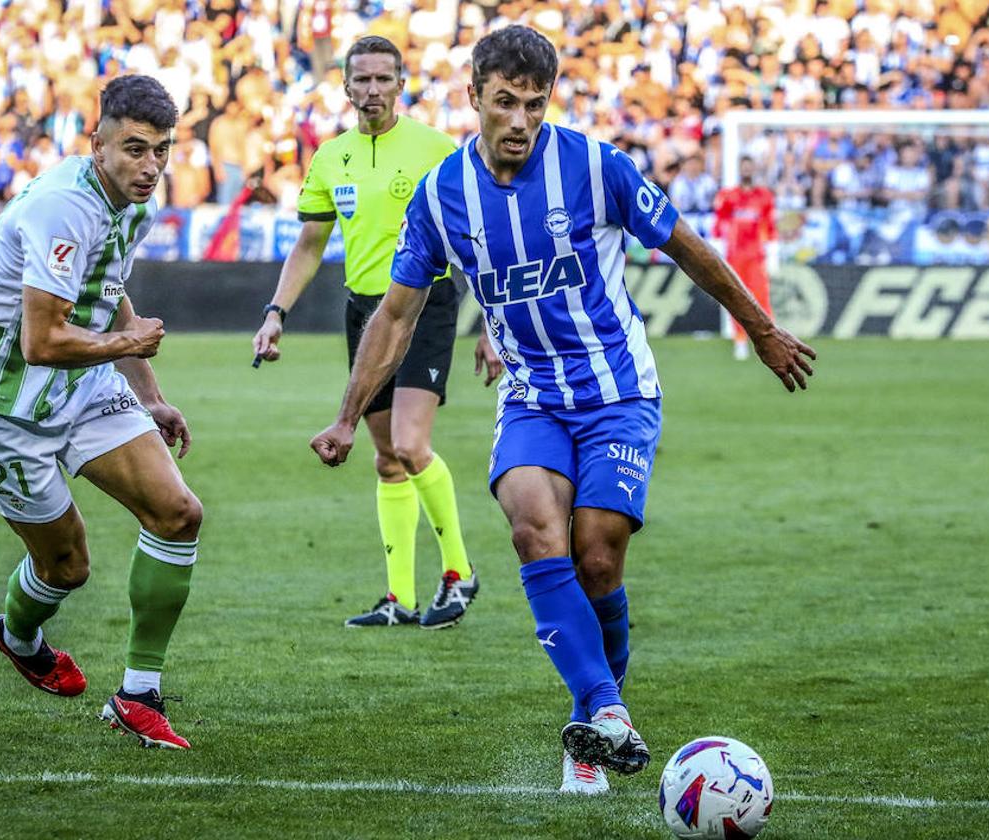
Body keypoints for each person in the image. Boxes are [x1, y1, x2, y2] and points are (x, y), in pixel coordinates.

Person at [309, 26, 815, 795]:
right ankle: (603, 717)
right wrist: (349, 414)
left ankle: (593, 714)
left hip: (618, 392)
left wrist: (763, 328)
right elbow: (396, 315)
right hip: (532, 398)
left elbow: (687, 246)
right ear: (474, 95)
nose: (518, 120)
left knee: (598, 557)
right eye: (504, 102)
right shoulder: (443, 194)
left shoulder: (595, 165)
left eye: (534, 105)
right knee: (530, 526)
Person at [0, 75, 203, 750]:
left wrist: (149, 393)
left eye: (161, 151)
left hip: (77, 382)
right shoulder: (62, 206)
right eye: (134, 149)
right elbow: (42, 340)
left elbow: (109, 297)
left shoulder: (132, 203)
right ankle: (18, 636)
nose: (150, 167)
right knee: (67, 568)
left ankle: (137, 695)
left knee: (178, 513)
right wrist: (130, 344)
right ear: (98, 141)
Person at [253, 36, 501, 630]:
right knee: (388, 461)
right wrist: (275, 312)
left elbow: (479, 241)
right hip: (364, 313)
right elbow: (309, 246)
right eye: (360, 80)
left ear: (401, 83)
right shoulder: (329, 157)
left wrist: (493, 323)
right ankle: (398, 600)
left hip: (427, 304)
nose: (371, 90)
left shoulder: (437, 150)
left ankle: (458, 574)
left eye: (382, 79)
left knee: (412, 447)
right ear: (344, 86)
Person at [713, 156, 779, 360]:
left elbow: (770, 226)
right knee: (736, 299)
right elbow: (718, 225)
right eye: (744, 167)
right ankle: (740, 340)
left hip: (756, 256)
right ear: (740, 170)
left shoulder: (764, 197)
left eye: (750, 166)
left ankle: (770, 339)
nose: (747, 170)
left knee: (761, 298)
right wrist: (717, 250)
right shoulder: (729, 196)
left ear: (754, 169)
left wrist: (773, 253)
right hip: (734, 255)